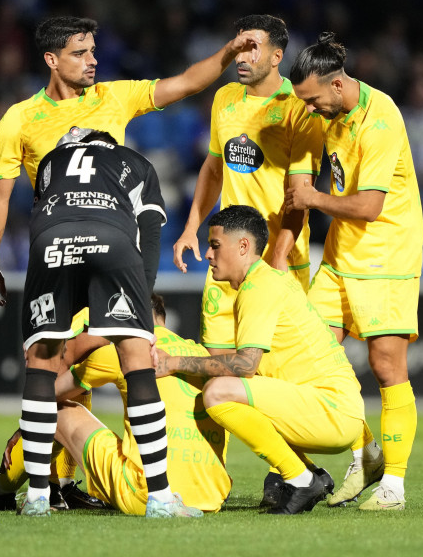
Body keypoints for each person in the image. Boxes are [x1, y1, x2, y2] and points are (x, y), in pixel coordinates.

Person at [0, 15, 260, 497]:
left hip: (107, 250)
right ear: (51, 60)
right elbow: (0, 195)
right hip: (64, 251)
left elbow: (187, 83)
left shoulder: (114, 95)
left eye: (93, 51)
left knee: (70, 368)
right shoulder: (21, 118)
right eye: (80, 53)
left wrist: (228, 52)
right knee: (58, 370)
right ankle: (59, 483)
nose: (93, 61)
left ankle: (39, 485)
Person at [16, 130, 199, 517]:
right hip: (112, 240)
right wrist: (140, 311)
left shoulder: (52, 161)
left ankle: (36, 498)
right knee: (137, 364)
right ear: (110, 145)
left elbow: (43, 215)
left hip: (51, 243)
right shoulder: (135, 163)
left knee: (41, 365)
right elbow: (150, 237)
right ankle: (161, 499)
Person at [285, 33, 423, 511]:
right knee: (314, 359)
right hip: (341, 259)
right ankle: (365, 452)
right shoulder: (330, 111)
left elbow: (368, 206)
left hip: (386, 258)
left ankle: (395, 487)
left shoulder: (380, 120)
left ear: (338, 85)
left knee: (387, 368)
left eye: (313, 99)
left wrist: (313, 198)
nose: (309, 108)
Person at [156, 205, 364, 515]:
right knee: (232, 389)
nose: (209, 255)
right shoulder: (263, 282)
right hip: (333, 407)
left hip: (331, 409)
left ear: (243, 246)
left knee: (218, 392)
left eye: (215, 245)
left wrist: (173, 363)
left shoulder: (257, 287)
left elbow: (244, 365)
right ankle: (308, 473)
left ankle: (301, 477)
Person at [0, 295, 232, 515]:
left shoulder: (120, 350)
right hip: (210, 495)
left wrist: (22, 429)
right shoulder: (200, 354)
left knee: (56, 410)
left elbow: (47, 397)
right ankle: (60, 486)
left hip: (143, 495)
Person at [171, 15, 323, 354]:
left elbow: (302, 195)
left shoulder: (299, 109)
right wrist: (190, 228)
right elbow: (213, 170)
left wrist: (278, 257)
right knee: (219, 367)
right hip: (226, 257)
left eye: (252, 49)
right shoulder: (225, 98)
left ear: (276, 57)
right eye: (239, 48)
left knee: (276, 371)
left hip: (277, 258)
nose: (240, 57)